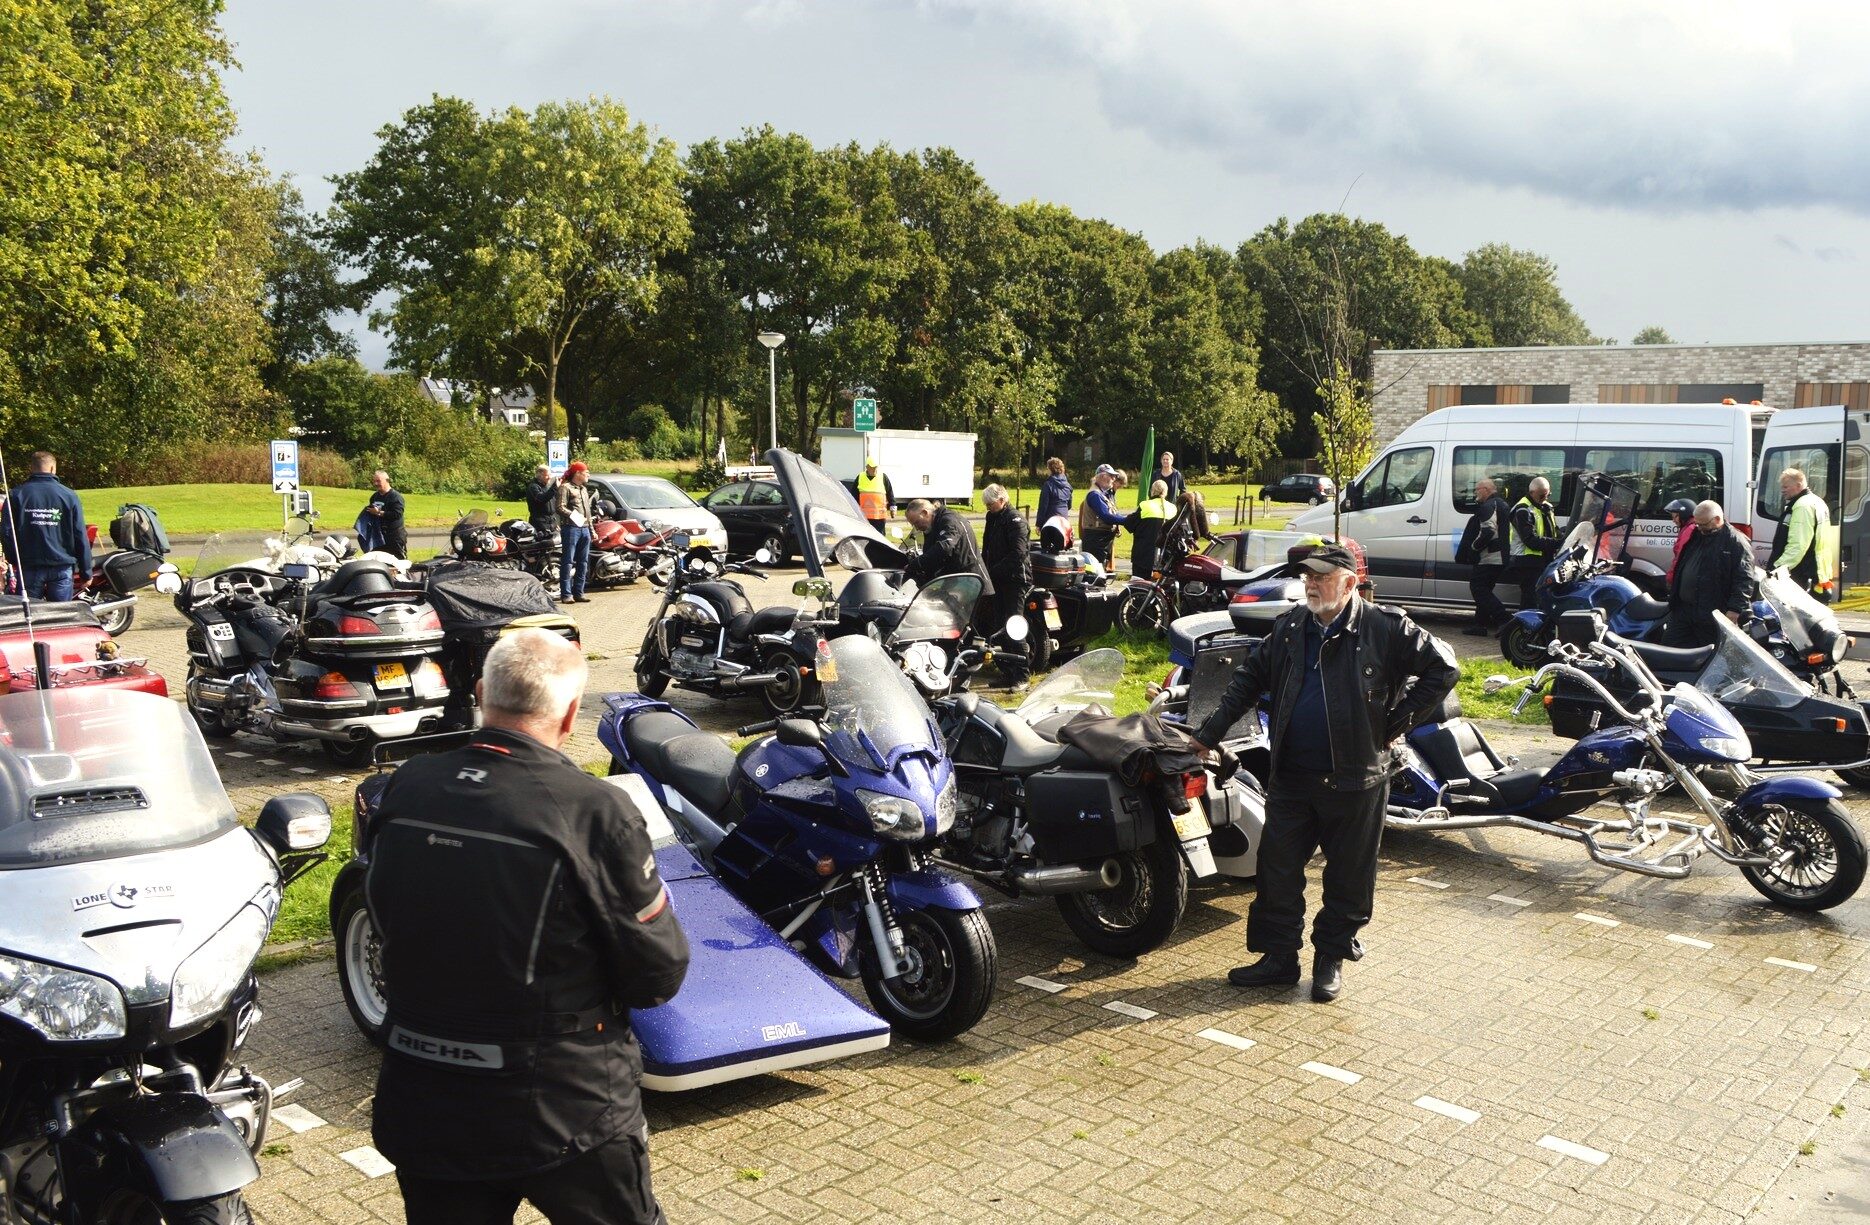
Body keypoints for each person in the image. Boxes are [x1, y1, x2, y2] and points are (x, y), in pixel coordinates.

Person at [366, 629, 690, 1225]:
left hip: (425, 1098)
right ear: (570, 713)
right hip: (564, 1106)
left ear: (481, 692)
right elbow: (658, 971)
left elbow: (383, 912)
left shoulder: (409, 787)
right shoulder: (596, 810)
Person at [1190, 542, 1457, 1003]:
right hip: (1293, 776)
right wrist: (1205, 737)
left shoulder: (1384, 627)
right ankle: (1278, 959)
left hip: (1356, 779)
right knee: (1276, 872)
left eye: (1320, 576)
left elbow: (1444, 667)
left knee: (1348, 879)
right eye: (1306, 577)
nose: (1310, 584)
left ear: (1349, 583)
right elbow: (1247, 681)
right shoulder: (1291, 627)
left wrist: (1395, 722)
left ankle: (1330, 958)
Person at [1664, 500, 1752, 648]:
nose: (1699, 528)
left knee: (1711, 656)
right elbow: (1681, 561)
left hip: (1711, 612)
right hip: (1684, 609)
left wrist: (1735, 609)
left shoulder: (1735, 542)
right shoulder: (1696, 534)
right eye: (1697, 524)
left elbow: (1744, 578)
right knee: (1669, 649)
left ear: (1717, 519)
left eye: (1703, 524)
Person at [2, 452, 89, 601]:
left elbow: (6, 532)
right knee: (60, 615)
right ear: (52, 468)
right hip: (61, 566)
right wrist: (86, 571)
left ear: (31, 468)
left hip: (29, 565)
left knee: (31, 614)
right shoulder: (69, 496)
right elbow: (80, 534)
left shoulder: (16, 495)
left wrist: (14, 559)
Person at [903, 498, 994, 610]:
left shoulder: (949, 520)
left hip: (972, 583)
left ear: (925, 513)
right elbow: (931, 552)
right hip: (956, 582)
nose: (916, 527)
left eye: (916, 522)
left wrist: (916, 564)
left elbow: (944, 547)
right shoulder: (932, 525)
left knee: (965, 624)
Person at [1770, 467, 1834, 599]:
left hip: (1801, 572)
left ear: (1798, 485)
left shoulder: (1802, 506)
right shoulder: (1817, 501)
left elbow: (1798, 544)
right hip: (1816, 570)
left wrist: (1777, 568)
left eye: (1786, 487)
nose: (1782, 490)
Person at [1457, 477, 1509, 636]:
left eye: (1477, 489)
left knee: (1478, 588)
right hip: (1500, 556)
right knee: (1485, 589)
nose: (1475, 493)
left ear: (1486, 490)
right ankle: (1479, 625)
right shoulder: (1501, 504)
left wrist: (1473, 548)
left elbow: (1488, 531)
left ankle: (1505, 619)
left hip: (1490, 557)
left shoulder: (1489, 506)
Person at [980, 484, 1031, 636]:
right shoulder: (992, 517)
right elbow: (987, 545)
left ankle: (1021, 658)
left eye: (990, 504)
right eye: (986, 505)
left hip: (1015, 579)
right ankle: (1002, 657)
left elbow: (1018, 553)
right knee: (997, 622)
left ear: (1002, 500)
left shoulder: (1015, 520)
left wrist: (993, 571)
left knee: (1013, 625)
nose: (988, 508)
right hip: (997, 577)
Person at [1507, 476, 1559, 611]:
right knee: (1530, 597)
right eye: (1542, 496)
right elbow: (1530, 540)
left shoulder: (1546, 506)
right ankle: (1525, 628)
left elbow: (1554, 530)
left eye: (1547, 495)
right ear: (1532, 493)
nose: (1545, 499)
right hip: (1527, 560)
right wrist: (1557, 543)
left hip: (1543, 559)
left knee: (1540, 596)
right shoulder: (1523, 509)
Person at [556, 461, 594, 604]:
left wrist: (591, 530)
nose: (588, 474)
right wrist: (575, 517)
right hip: (571, 528)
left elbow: (588, 512)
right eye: (586, 472)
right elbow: (560, 507)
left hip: (584, 529)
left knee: (583, 562)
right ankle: (566, 594)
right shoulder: (565, 488)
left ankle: (579, 592)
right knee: (568, 561)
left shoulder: (583, 489)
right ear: (578, 473)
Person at [1077, 464, 1127, 568]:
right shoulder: (1095, 495)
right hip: (1096, 540)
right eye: (1111, 476)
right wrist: (1128, 520)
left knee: (1100, 572)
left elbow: (1112, 513)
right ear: (1103, 476)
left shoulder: (1102, 494)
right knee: (1095, 574)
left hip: (1101, 540)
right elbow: (1106, 516)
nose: (1114, 479)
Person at [1127, 479, 1174, 576]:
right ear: (1166, 492)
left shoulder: (1145, 505)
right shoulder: (1173, 508)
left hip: (1143, 555)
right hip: (1165, 557)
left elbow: (1129, 525)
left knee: (1139, 586)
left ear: (1152, 491)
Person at [363, 470, 407, 560]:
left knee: (398, 564)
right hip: (379, 537)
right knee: (378, 562)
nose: (376, 483)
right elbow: (372, 511)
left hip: (394, 537)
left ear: (387, 480)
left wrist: (379, 513)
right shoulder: (375, 496)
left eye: (378, 481)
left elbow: (397, 514)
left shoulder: (396, 497)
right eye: (374, 481)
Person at [856, 457, 895, 534]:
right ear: (867, 467)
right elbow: (853, 496)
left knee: (880, 539)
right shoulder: (860, 477)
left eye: (876, 467)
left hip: (879, 517)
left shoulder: (883, 477)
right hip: (864, 517)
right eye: (872, 467)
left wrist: (893, 508)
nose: (874, 469)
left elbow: (890, 493)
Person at [1664, 497, 1696, 587]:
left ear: (1684, 514)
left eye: (1676, 516)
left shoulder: (1689, 529)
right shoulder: (1690, 527)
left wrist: (1670, 578)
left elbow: (1679, 558)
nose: (1673, 520)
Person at [525, 464, 560, 541]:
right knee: (542, 548)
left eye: (550, 475)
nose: (550, 477)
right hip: (539, 524)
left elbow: (553, 505)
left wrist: (555, 523)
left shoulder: (548, 487)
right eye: (547, 475)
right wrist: (554, 488)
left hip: (551, 524)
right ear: (540, 475)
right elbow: (541, 499)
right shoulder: (533, 487)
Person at [1036, 457, 1073, 526]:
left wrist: (1039, 524)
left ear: (1051, 469)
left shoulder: (1048, 485)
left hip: (1050, 521)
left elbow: (1043, 506)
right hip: (1064, 521)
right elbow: (1069, 505)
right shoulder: (1068, 486)